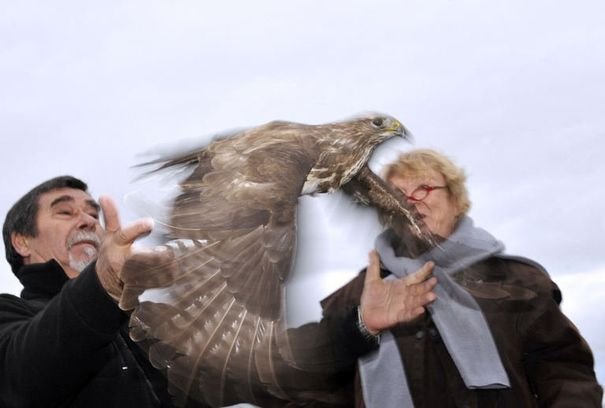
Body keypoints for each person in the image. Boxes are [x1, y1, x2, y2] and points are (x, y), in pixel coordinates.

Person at [0, 175, 437, 407]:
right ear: (22, 242)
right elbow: (28, 376)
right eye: (65, 211)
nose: (87, 219)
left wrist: (360, 324)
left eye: (92, 212)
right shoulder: (10, 318)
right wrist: (105, 283)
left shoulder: (148, 327)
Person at [320, 149, 603, 407]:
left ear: (457, 201)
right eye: (396, 193)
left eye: (424, 189)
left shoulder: (518, 282)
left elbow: (564, 372)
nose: (410, 201)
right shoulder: (352, 299)